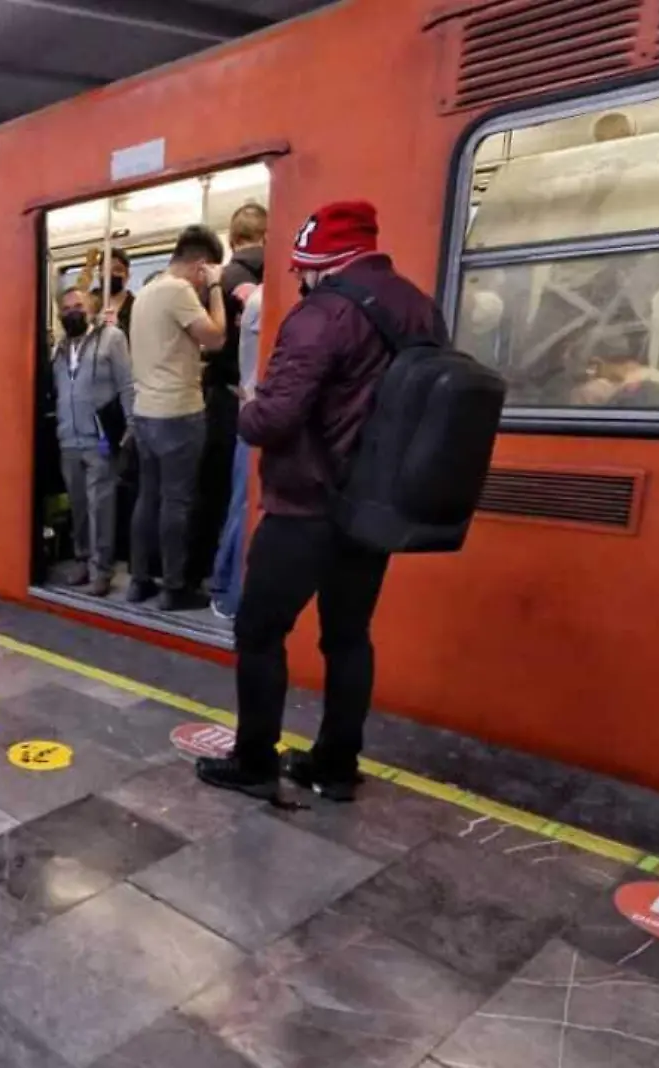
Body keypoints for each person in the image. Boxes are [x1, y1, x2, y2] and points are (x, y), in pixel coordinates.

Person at [197, 201, 447, 803]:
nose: (300, 281)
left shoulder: (322, 314)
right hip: (374, 509)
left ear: (320, 261)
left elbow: (275, 419)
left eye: (301, 270)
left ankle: (254, 760)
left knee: (259, 630)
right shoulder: (420, 308)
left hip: (306, 505)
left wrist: (248, 402)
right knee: (347, 635)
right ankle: (335, 765)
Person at [126, 224, 226, 610]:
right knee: (177, 503)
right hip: (178, 414)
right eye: (209, 272)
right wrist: (216, 289)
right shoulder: (179, 290)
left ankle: (138, 581)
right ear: (201, 265)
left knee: (147, 499)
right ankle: (174, 587)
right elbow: (215, 338)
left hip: (145, 413)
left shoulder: (146, 292)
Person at [189, 205, 268, 593]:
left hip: (222, 397)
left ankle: (208, 572)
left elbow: (207, 344)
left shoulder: (220, 281)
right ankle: (238, 571)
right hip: (262, 400)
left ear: (233, 239)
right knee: (246, 493)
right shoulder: (283, 278)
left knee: (213, 490)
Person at [50, 286, 134, 597]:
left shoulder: (111, 339)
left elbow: (126, 384)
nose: (72, 311)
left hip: (99, 439)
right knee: (79, 507)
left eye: (78, 305)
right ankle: (82, 559)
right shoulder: (58, 350)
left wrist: (131, 427)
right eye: (67, 307)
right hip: (68, 439)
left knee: (102, 507)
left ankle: (102, 570)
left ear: (90, 308)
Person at [210, 289, 265, 620]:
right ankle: (227, 592)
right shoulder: (262, 300)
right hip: (257, 415)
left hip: (251, 412)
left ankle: (225, 589)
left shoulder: (255, 299)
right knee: (244, 505)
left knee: (241, 504)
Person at [95, 247, 136, 337]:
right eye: (105, 270)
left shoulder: (136, 307)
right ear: (99, 275)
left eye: (117, 270)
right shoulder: (93, 307)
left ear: (127, 275)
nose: (111, 274)